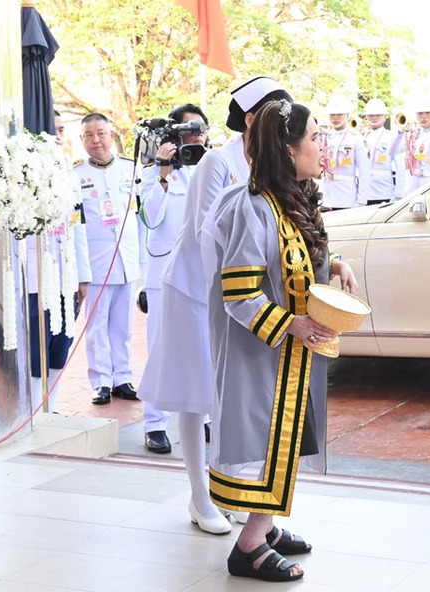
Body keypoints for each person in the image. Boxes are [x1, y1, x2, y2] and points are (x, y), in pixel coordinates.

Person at [201, 99, 358, 582]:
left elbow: (291, 257)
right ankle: (249, 545)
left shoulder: (289, 198)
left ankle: (264, 528)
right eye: (314, 137)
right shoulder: (252, 207)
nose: (321, 145)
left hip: (288, 355)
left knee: (289, 437)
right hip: (261, 352)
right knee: (266, 441)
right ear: (289, 149)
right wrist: (293, 325)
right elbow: (239, 293)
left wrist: (334, 264)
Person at [138, 76, 292, 535]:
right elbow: (208, 233)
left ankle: (237, 492)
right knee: (195, 393)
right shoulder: (217, 161)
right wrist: (235, 292)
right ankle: (200, 496)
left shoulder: (270, 161)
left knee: (234, 394)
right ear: (252, 119)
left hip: (240, 294)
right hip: (195, 292)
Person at [136, 103, 210, 453]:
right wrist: (163, 175)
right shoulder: (155, 172)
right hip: (164, 276)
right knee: (161, 349)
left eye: (201, 130)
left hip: (200, 275)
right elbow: (150, 219)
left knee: (204, 347)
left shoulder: (211, 168)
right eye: (190, 131)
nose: (197, 137)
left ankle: (203, 414)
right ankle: (154, 424)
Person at [74, 113, 144, 406]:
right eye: (89, 135)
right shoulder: (75, 176)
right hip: (97, 262)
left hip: (126, 260)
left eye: (101, 133)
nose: (96, 140)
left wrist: (142, 262)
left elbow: (141, 219)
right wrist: (81, 272)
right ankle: (101, 380)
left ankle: (122, 377)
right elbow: (77, 228)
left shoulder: (131, 169)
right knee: (97, 325)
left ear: (111, 135)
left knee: (122, 325)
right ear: (82, 140)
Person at [26, 110, 91, 413]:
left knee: (60, 344)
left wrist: (83, 275)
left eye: (62, 130)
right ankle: (30, 412)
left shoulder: (70, 174)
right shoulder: (22, 172)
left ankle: (50, 409)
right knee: (34, 349)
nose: (58, 137)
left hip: (66, 276)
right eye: (53, 130)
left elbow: (79, 227)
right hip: (34, 278)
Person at [320, 98, 370, 209]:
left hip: (346, 197)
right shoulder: (325, 137)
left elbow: (364, 171)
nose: (335, 118)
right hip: (327, 196)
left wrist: (361, 200)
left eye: (339, 114)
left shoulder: (356, 138)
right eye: (332, 114)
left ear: (347, 115)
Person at [360, 98, 395, 204]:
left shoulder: (391, 136)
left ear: (385, 116)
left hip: (384, 190)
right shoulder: (362, 136)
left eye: (378, 115)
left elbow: (400, 168)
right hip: (364, 191)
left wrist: (398, 195)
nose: (374, 118)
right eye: (371, 115)